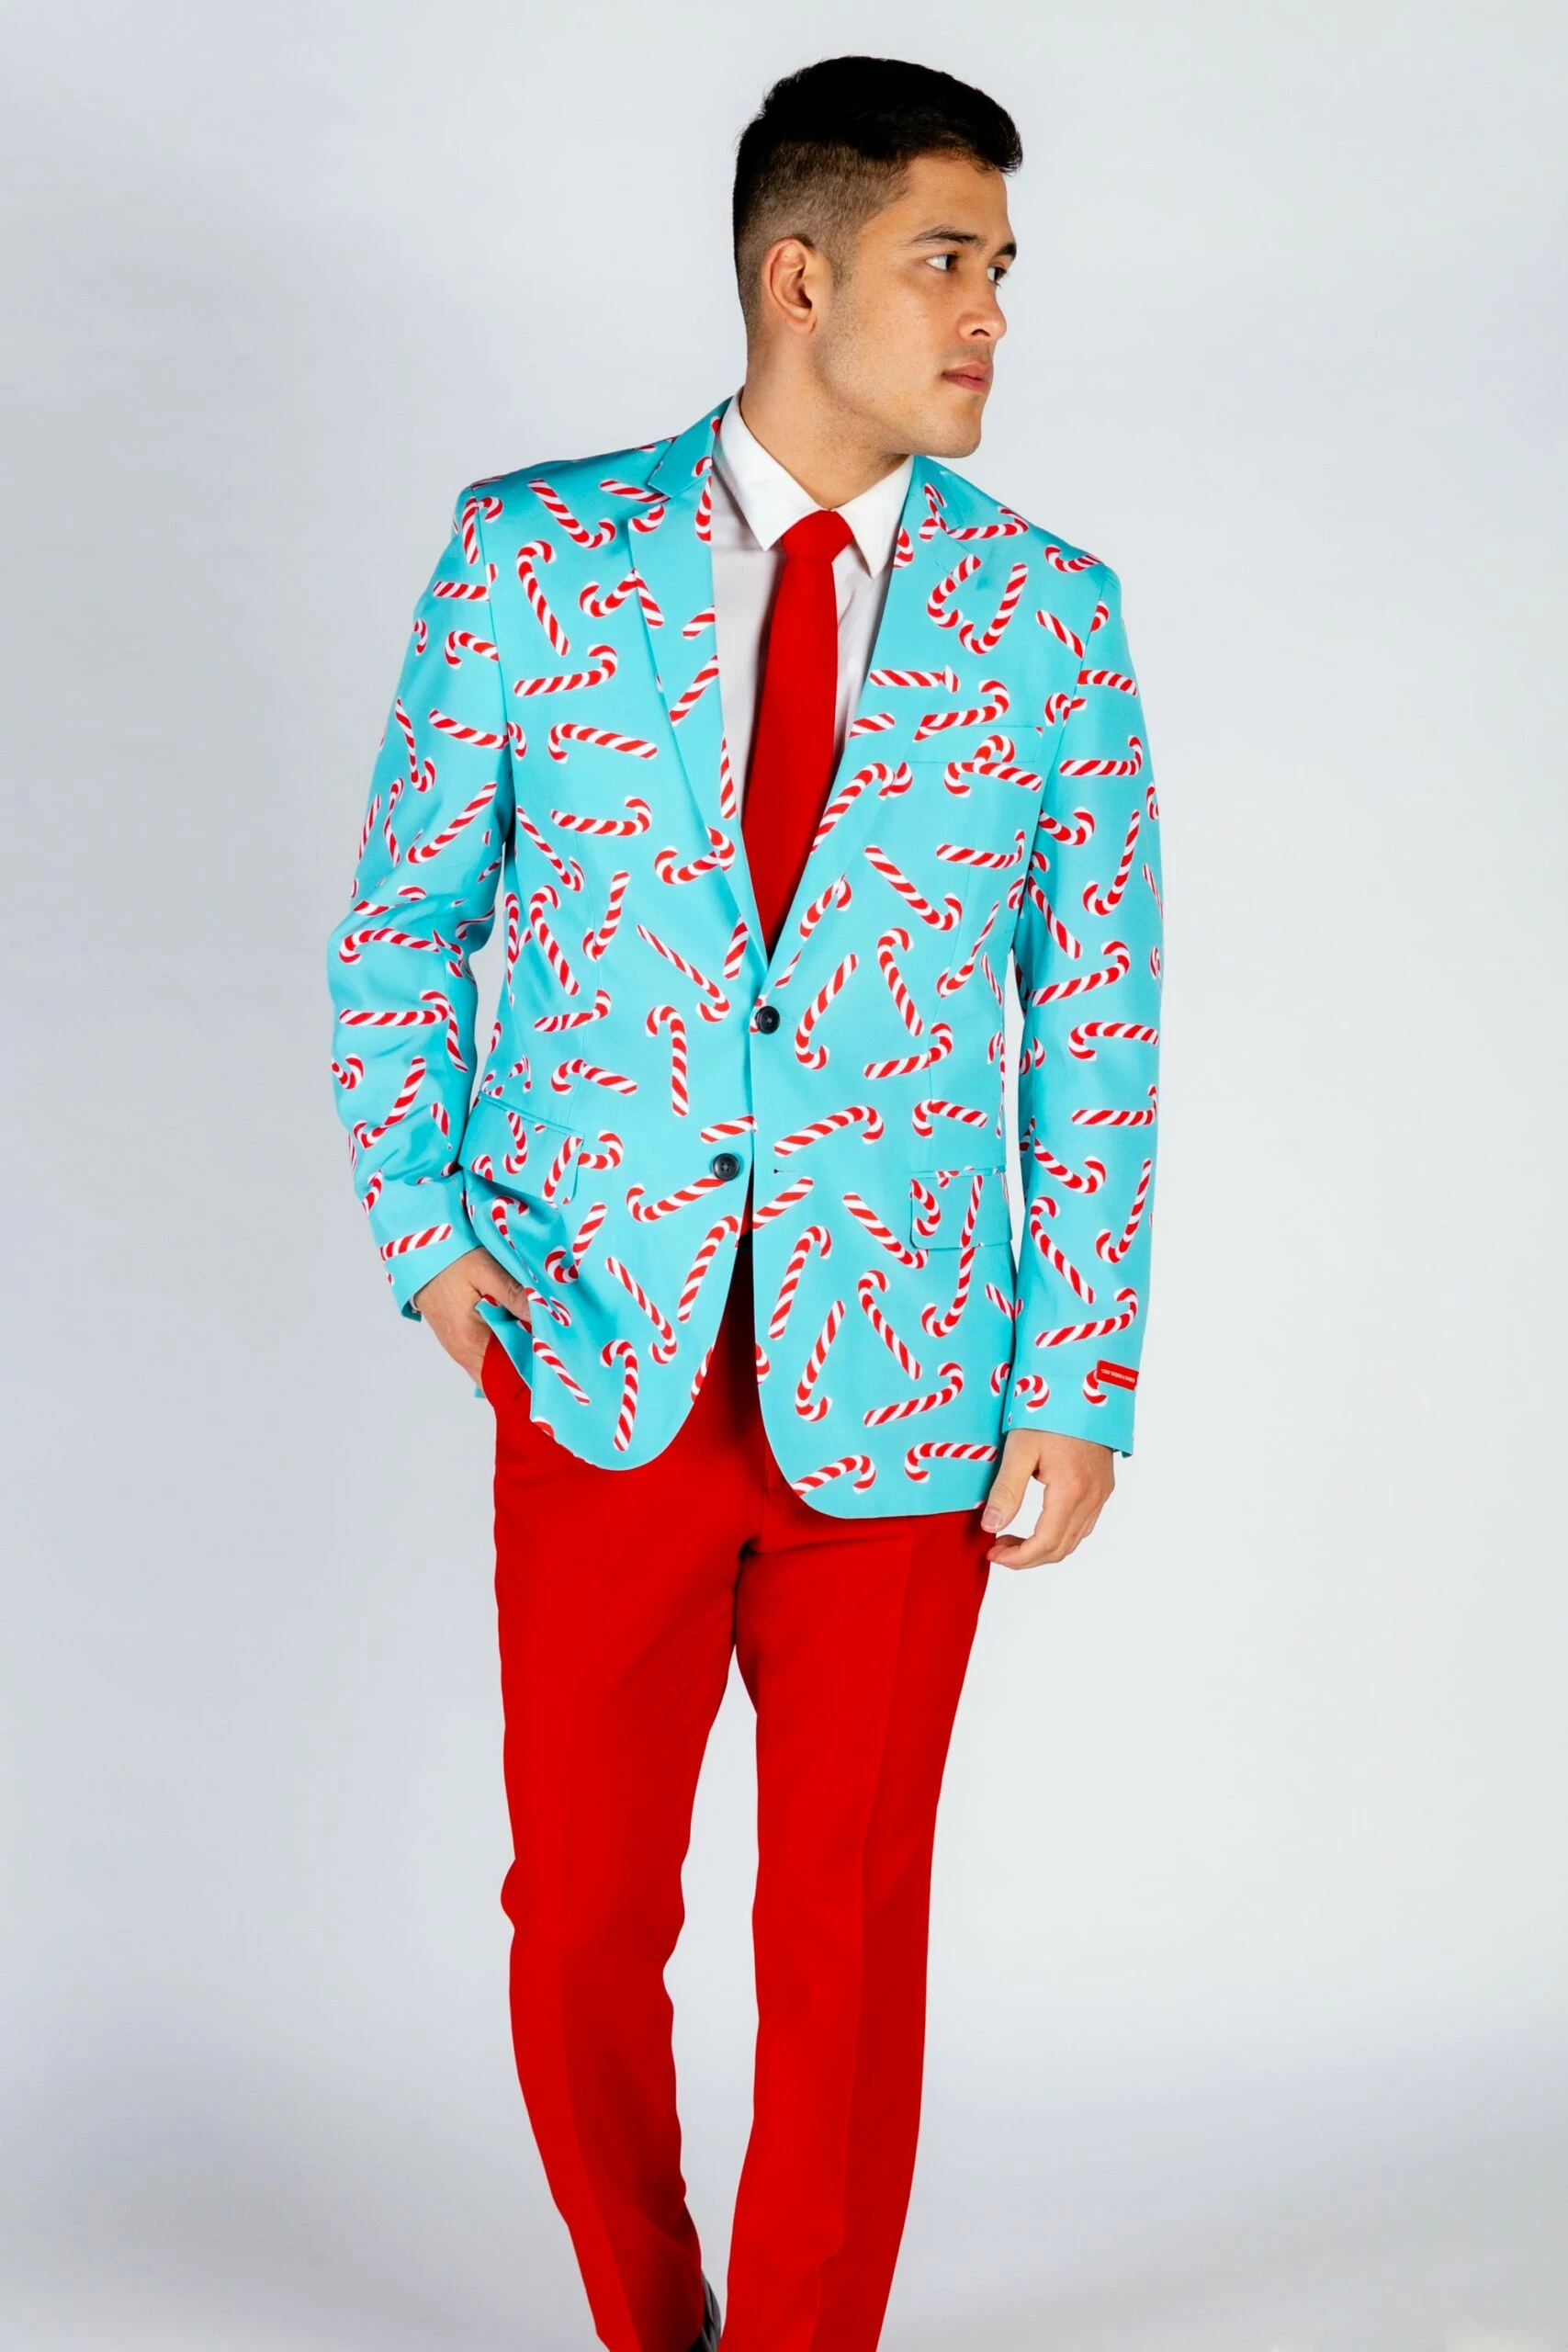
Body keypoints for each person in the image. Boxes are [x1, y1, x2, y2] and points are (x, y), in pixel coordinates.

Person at [326, 52, 1164, 2352]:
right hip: (594, 1350)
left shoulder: (1053, 618)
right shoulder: (531, 559)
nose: (990, 313)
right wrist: (428, 1240)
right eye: (945, 260)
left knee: (846, 1924)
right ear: (800, 278)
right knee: (585, 1912)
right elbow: (404, 929)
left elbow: (1096, 1025)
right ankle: (646, 2313)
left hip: (911, 1379)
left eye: (1001, 267)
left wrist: (1078, 1370)